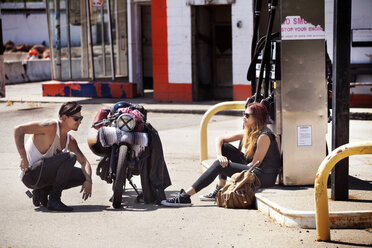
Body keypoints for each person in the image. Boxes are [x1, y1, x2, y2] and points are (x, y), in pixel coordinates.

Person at [161, 102, 281, 207]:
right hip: (254, 169)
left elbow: (254, 165)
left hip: (263, 176)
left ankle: (185, 196)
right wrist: (220, 155)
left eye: (247, 115)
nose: (243, 117)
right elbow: (220, 139)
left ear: (257, 118)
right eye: (243, 114)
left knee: (220, 165)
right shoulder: (251, 131)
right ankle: (219, 187)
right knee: (224, 148)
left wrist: (228, 167)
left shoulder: (264, 136)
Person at [14, 101, 92, 212]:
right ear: (64, 117)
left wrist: (89, 180)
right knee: (69, 157)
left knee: (82, 175)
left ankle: (42, 192)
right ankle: (54, 200)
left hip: (43, 175)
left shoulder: (70, 141)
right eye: (76, 119)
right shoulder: (50, 127)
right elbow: (18, 130)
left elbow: (85, 163)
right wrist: (23, 157)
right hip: (30, 175)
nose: (79, 122)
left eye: (81, 118)